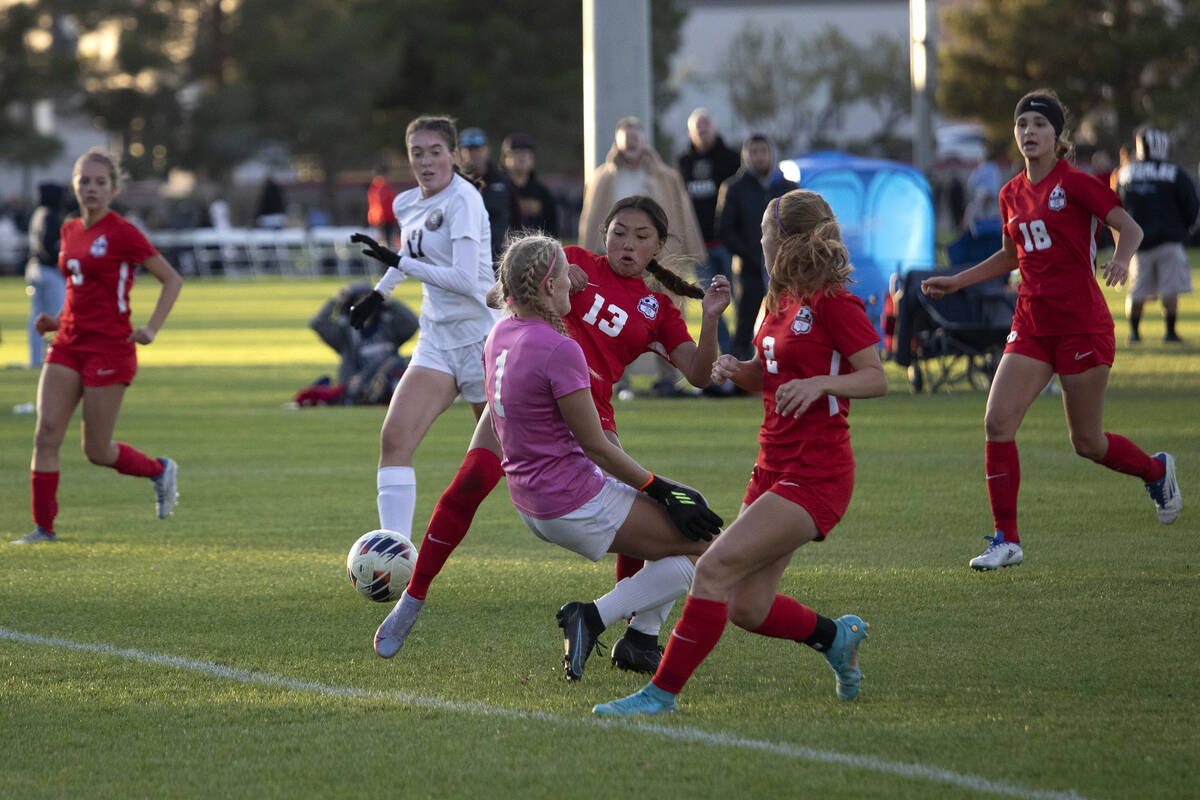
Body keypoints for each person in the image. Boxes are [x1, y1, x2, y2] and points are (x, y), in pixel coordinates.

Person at [371, 195, 731, 672]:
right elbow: (498, 295)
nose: (627, 244)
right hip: (529, 395)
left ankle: (639, 637)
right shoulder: (572, 261)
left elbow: (700, 374)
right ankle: (412, 599)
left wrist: (709, 320)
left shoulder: (659, 310)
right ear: (603, 233)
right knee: (470, 483)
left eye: (642, 237)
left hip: (589, 412)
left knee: (642, 527)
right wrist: (555, 282)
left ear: (658, 247)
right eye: (619, 232)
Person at [593, 189, 888, 716]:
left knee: (713, 569)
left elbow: (875, 377)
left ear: (788, 240)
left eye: (764, 239)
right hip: (770, 469)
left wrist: (822, 384)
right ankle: (836, 638)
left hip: (816, 474)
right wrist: (738, 370)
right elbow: (770, 376)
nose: (761, 248)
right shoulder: (775, 300)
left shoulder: (832, 301)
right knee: (747, 608)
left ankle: (660, 694)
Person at [921, 89, 1180, 572]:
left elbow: (1131, 227)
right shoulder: (1009, 193)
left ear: (1058, 136)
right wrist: (956, 281)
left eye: (1038, 125)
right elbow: (1009, 256)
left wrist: (1122, 258)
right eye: (1021, 125)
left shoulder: (1076, 183)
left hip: (1082, 326)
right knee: (997, 421)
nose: (1028, 133)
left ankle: (1156, 469)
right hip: (1032, 325)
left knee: (1088, 443)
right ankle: (1007, 539)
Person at [480, 233, 723, 680]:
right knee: (708, 549)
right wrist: (659, 488)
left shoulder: (500, 333)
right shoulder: (560, 348)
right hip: (571, 501)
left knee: (693, 504)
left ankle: (639, 642)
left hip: (531, 501)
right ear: (553, 286)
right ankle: (592, 617)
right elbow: (597, 447)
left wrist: (670, 493)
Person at [13, 148, 183, 545]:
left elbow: (171, 279)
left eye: (99, 182)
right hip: (68, 343)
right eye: (84, 181)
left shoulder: (123, 232)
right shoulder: (69, 230)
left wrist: (152, 328)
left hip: (110, 348)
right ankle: (44, 529)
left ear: (113, 188)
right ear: (74, 185)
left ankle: (158, 470)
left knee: (96, 449)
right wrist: (56, 321)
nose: (90, 188)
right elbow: (79, 290)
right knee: (46, 433)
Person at [347, 115, 499, 546]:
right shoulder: (406, 203)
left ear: (453, 155)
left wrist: (399, 265)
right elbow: (409, 252)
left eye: (436, 152)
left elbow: (467, 280)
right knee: (395, 438)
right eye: (418, 153)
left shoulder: (464, 200)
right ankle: (394, 554)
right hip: (437, 339)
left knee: (513, 462)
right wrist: (379, 294)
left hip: (484, 340)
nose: (427, 161)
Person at [578, 116, 705, 397]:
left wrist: (692, 251)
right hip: (617, 261)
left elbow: (682, 212)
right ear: (618, 143)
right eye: (627, 138)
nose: (633, 143)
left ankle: (669, 378)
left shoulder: (665, 176)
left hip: (660, 259)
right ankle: (618, 381)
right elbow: (590, 217)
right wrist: (588, 253)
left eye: (637, 137)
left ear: (644, 141)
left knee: (667, 315)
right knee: (618, 319)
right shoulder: (603, 176)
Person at [1114, 126, 1199, 344]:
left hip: (1139, 243)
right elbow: (1191, 205)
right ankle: (1170, 332)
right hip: (1170, 239)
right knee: (1171, 289)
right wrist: (1185, 228)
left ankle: (1134, 333)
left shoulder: (1126, 173)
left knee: (1138, 290)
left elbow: (1116, 207)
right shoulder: (1174, 172)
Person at [717, 134, 797, 361]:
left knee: (787, 319)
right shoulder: (734, 188)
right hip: (749, 269)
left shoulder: (787, 187)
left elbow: (799, 225)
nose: (760, 157)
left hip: (785, 270)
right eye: (754, 152)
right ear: (747, 156)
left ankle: (785, 366)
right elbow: (725, 230)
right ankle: (741, 376)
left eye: (764, 151)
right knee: (747, 324)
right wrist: (752, 254)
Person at [677, 108, 742, 358]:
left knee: (739, 299)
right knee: (710, 303)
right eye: (697, 126)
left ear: (713, 127)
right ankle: (728, 353)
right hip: (699, 248)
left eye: (706, 124)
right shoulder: (683, 163)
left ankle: (746, 350)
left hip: (729, 245)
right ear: (691, 132)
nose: (703, 130)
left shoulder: (730, 159)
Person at [297, 283, 419, 406]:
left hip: (389, 377)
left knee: (411, 361)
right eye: (359, 300)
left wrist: (392, 302)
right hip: (358, 384)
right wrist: (335, 301)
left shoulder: (388, 325)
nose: (364, 304)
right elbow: (317, 323)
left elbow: (413, 324)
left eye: (369, 299)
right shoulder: (344, 331)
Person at [458, 127, 521, 265]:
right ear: (461, 153)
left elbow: (517, 219)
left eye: (478, 149)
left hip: (501, 258)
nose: (474, 154)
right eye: (469, 150)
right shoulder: (455, 184)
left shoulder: (504, 181)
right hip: (466, 258)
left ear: (487, 149)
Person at [25, 182, 68, 369]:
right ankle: (59, 357)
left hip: (34, 268)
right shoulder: (50, 215)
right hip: (48, 270)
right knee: (59, 315)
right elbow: (51, 246)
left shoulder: (37, 214)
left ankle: (35, 359)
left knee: (37, 316)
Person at [501, 133, 560, 236]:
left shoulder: (542, 194)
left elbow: (552, 231)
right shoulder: (497, 190)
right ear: (504, 159)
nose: (521, 158)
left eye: (525, 153)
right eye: (515, 153)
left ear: (532, 159)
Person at [366, 165, 399, 247]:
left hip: (380, 219)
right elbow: (383, 205)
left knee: (384, 241)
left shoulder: (375, 187)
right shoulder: (382, 187)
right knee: (387, 241)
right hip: (385, 219)